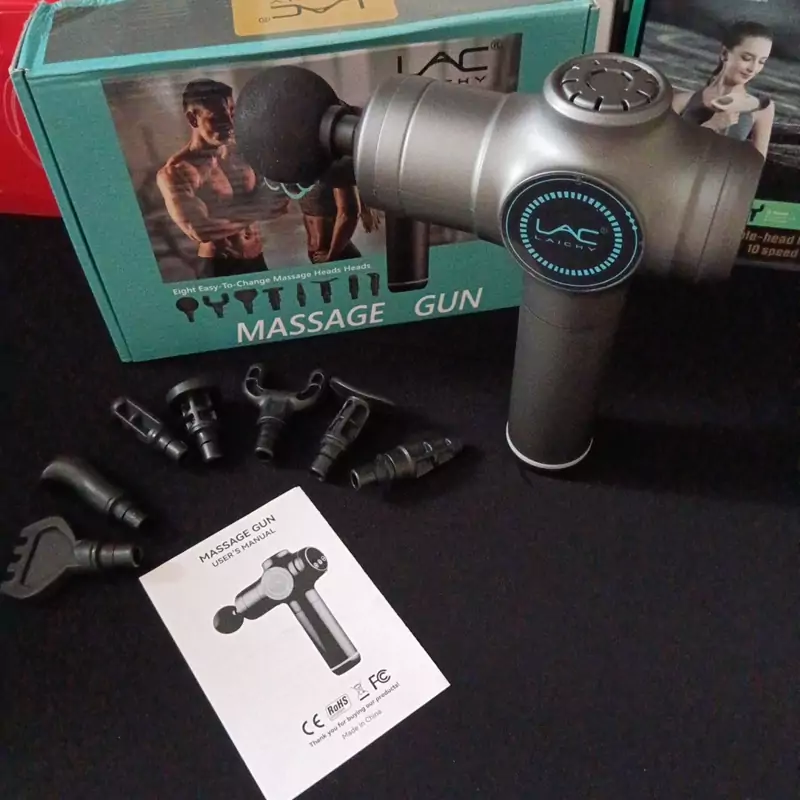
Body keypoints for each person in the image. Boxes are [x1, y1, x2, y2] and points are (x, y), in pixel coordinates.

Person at [156, 79, 287, 278]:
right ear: (193, 119)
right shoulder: (179, 171)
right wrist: (260, 210)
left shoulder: (243, 154)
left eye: (232, 114)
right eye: (217, 118)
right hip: (218, 267)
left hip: (257, 259)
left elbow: (279, 200)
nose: (230, 124)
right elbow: (199, 230)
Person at [671, 21, 775, 158]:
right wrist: (712, 125)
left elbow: (756, 165)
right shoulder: (681, 101)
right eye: (747, 58)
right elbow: (663, 152)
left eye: (761, 62)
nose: (753, 68)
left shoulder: (762, 108)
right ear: (725, 54)